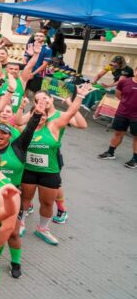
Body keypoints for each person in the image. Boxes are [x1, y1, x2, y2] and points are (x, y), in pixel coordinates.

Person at [20, 85, 91, 245]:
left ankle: (43, 228)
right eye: (37, 114)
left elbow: (72, 114)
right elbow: (15, 120)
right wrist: (22, 106)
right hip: (29, 171)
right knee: (25, 199)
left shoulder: (54, 126)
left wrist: (79, 96)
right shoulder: (25, 128)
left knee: (47, 203)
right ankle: (21, 223)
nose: (41, 117)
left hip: (49, 172)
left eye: (44, 115)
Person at [98, 65, 137, 168]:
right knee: (118, 133)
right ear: (135, 71)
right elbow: (119, 95)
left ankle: (135, 160)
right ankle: (110, 153)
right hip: (122, 113)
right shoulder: (124, 82)